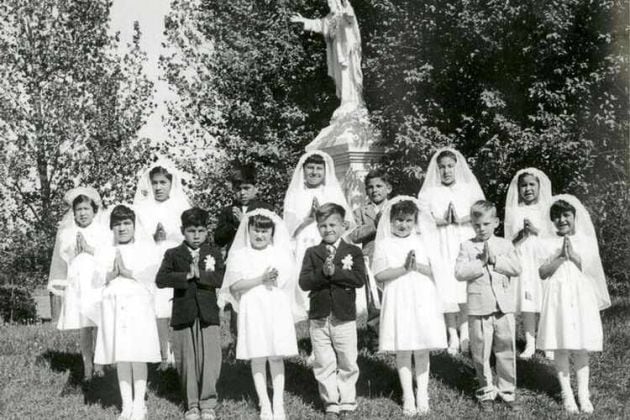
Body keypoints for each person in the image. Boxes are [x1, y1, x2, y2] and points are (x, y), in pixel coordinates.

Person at [218, 209, 298, 420]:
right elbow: (235, 286)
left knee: (275, 354)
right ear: (249, 230)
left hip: (275, 305)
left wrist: (269, 280)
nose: (260, 235)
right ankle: (264, 402)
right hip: (252, 306)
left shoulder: (280, 253)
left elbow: (285, 281)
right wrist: (260, 279)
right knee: (258, 355)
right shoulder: (240, 255)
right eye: (256, 230)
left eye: (265, 231)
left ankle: (278, 403)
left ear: (272, 232)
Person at [372, 196, 447, 416]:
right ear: (391, 221)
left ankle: (422, 393)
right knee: (403, 347)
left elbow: (438, 272)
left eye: (408, 221)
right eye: (399, 220)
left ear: (415, 221)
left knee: (422, 347)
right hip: (398, 297)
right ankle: (408, 395)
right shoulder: (385, 244)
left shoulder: (423, 242)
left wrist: (417, 266)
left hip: (422, 296)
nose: (403, 225)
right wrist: (404, 269)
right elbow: (379, 274)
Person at [537, 195, 610, 414]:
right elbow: (542, 272)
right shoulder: (546, 241)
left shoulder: (585, 241)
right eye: (557, 216)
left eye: (566, 215)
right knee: (560, 344)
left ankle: (583, 395)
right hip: (558, 296)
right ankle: (567, 394)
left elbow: (591, 270)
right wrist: (560, 256)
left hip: (580, 297)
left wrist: (573, 255)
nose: (561, 220)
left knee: (580, 346)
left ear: (574, 217)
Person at [88, 205, 161, 420]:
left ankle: (139, 404)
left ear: (134, 226)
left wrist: (128, 272)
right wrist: (111, 274)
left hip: (137, 305)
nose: (122, 228)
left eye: (127, 223)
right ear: (111, 227)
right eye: (117, 224)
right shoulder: (105, 251)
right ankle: (126, 404)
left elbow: (152, 277)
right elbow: (95, 280)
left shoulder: (145, 250)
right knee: (121, 355)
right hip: (114, 306)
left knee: (137, 354)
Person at [156, 208, 225, 420]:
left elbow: (221, 278)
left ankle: (208, 404)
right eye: (191, 231)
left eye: (201, 231)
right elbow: (161, 279)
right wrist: (185, 276)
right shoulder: (173, 254)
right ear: (182, 230)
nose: (196, 236)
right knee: (186, 360)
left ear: (207, 231)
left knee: (210, 359)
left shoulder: (213, 253)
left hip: (208, 314)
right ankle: (192, 405)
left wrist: (201, 275)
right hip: (183, 313)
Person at [299, 203, 366, 419]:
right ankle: (331, 403)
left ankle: (347, 400)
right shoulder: (312, 252)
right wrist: (322, 272)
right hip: (319, 316)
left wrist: (335, 272)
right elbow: (304, 282)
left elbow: (358, 279)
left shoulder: (353, 252)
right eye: (323, 226)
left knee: (347, 359)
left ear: (344, 225)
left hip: (344, 316)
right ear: (317, 228)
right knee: (324, 360)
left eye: (332, 224)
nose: (328, 229)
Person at [454, 200, 522, 412]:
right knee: (481, 352)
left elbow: (516, 268)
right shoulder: (466, 246)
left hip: (503, 308)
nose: (481, 229)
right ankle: (486, 392)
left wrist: (494, 261)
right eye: (476, 225)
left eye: (485, 224)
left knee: (506, 349)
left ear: (496, 223)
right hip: (479, 307)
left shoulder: (505, 245)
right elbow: (459, 273)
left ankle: (507, 391)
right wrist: (481, 262)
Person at [418, 147, 485, 355]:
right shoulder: (429, 192)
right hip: (440, 241)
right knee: (446, 286)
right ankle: (452, 335)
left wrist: (462, 219)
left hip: (463, 238)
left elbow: (481, 212)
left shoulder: (468, 188)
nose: (446, 171)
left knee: (463, 285)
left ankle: (465, 333)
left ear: (457, 167)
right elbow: (421, 218)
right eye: (442, 167)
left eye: (450, 166)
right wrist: (439, 220)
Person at [284, 151, 357, 322]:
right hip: (304, 241)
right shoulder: (295, 194)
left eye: (319, 168)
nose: (314, 172)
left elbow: (345, 223)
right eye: (310, 168)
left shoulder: (331, 192)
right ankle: (311, 312)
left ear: (325, 171)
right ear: (303, 170)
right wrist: (309, 218)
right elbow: (289, 230)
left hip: (329, 237)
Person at [133, 160, 191, 370]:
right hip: (152, 259)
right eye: (155, 183)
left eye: (163, 182)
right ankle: (163, 354)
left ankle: (178, 353)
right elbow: (135, 236)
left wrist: (171, 234)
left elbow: (190, 235)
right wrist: (151, 235)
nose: (158, 187)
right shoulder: (142, 209)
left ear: (171, 183)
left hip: (175, 260)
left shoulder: (181, 206)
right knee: (157, 309)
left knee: (173, 306)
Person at [47, 186, 110, 380]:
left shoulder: (103, 231)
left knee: (100, 323)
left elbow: (108, 256)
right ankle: (87, 366)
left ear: (94, 211)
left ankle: (100, 365)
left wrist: (90, 249)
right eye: (79, 210)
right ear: (73, 213)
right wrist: (75, 250)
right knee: (84, 326)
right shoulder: (67, 233)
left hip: (97, 282)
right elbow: (65, 258)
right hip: (79, 284)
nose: (82, 213)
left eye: (86, 209)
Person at [213, 163, 273, 356]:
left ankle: (262, 343)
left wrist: (244, 222)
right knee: (238, 303)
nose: (242, 193)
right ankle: (238, 344)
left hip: (259, 262)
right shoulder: (227, 212)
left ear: (256, 188)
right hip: (238, 263)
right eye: (238, 189)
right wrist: (233, 225)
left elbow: (273, 236)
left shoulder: (265, 208)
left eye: (246, 188)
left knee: (260, 301)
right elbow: (219, 239)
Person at [504, 168, 554, 359]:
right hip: (523, 261)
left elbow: (551, 237)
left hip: (542, 260)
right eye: (523, 185)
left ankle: (547, 342)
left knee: (544, 300)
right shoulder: (515, 211)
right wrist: (520, 235)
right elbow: (510, 241)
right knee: (527, 302)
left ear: (539, 186)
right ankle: (530, 343)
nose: (528, 189)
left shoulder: (546, 210)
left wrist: (534, 230)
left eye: (532, 184)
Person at [290, 0, 364, 118]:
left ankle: (351, 101)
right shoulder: (330, 18)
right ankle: (345, 102)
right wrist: (304, 20)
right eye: (328, 3)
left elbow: (350, 15)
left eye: (331, 3)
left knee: (347, 75)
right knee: (339, 77)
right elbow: (319, 24)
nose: (329, 5)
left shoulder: (344, 13)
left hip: (346, 51)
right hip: (336, 51)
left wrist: (345, 4)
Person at [349, 168, 392, 328]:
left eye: (379, 186)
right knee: (374, 295)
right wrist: (373, 225)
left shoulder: (395, 207)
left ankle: (396, 334)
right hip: (372, 258)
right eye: (370, 187)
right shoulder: (360, 212)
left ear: (388, 188)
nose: (375, 190)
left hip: (394, 256)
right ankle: (376, 335)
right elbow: (353, 234)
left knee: (394, 293)